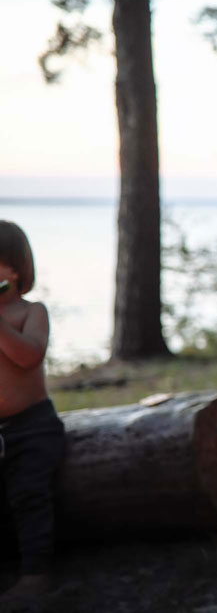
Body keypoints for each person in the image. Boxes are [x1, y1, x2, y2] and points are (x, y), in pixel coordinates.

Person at [0, 221, 66, 607]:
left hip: (32, 427)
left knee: (30, 495)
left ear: (15, 270)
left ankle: (36, 574)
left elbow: (29, 356)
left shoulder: (31, 312)